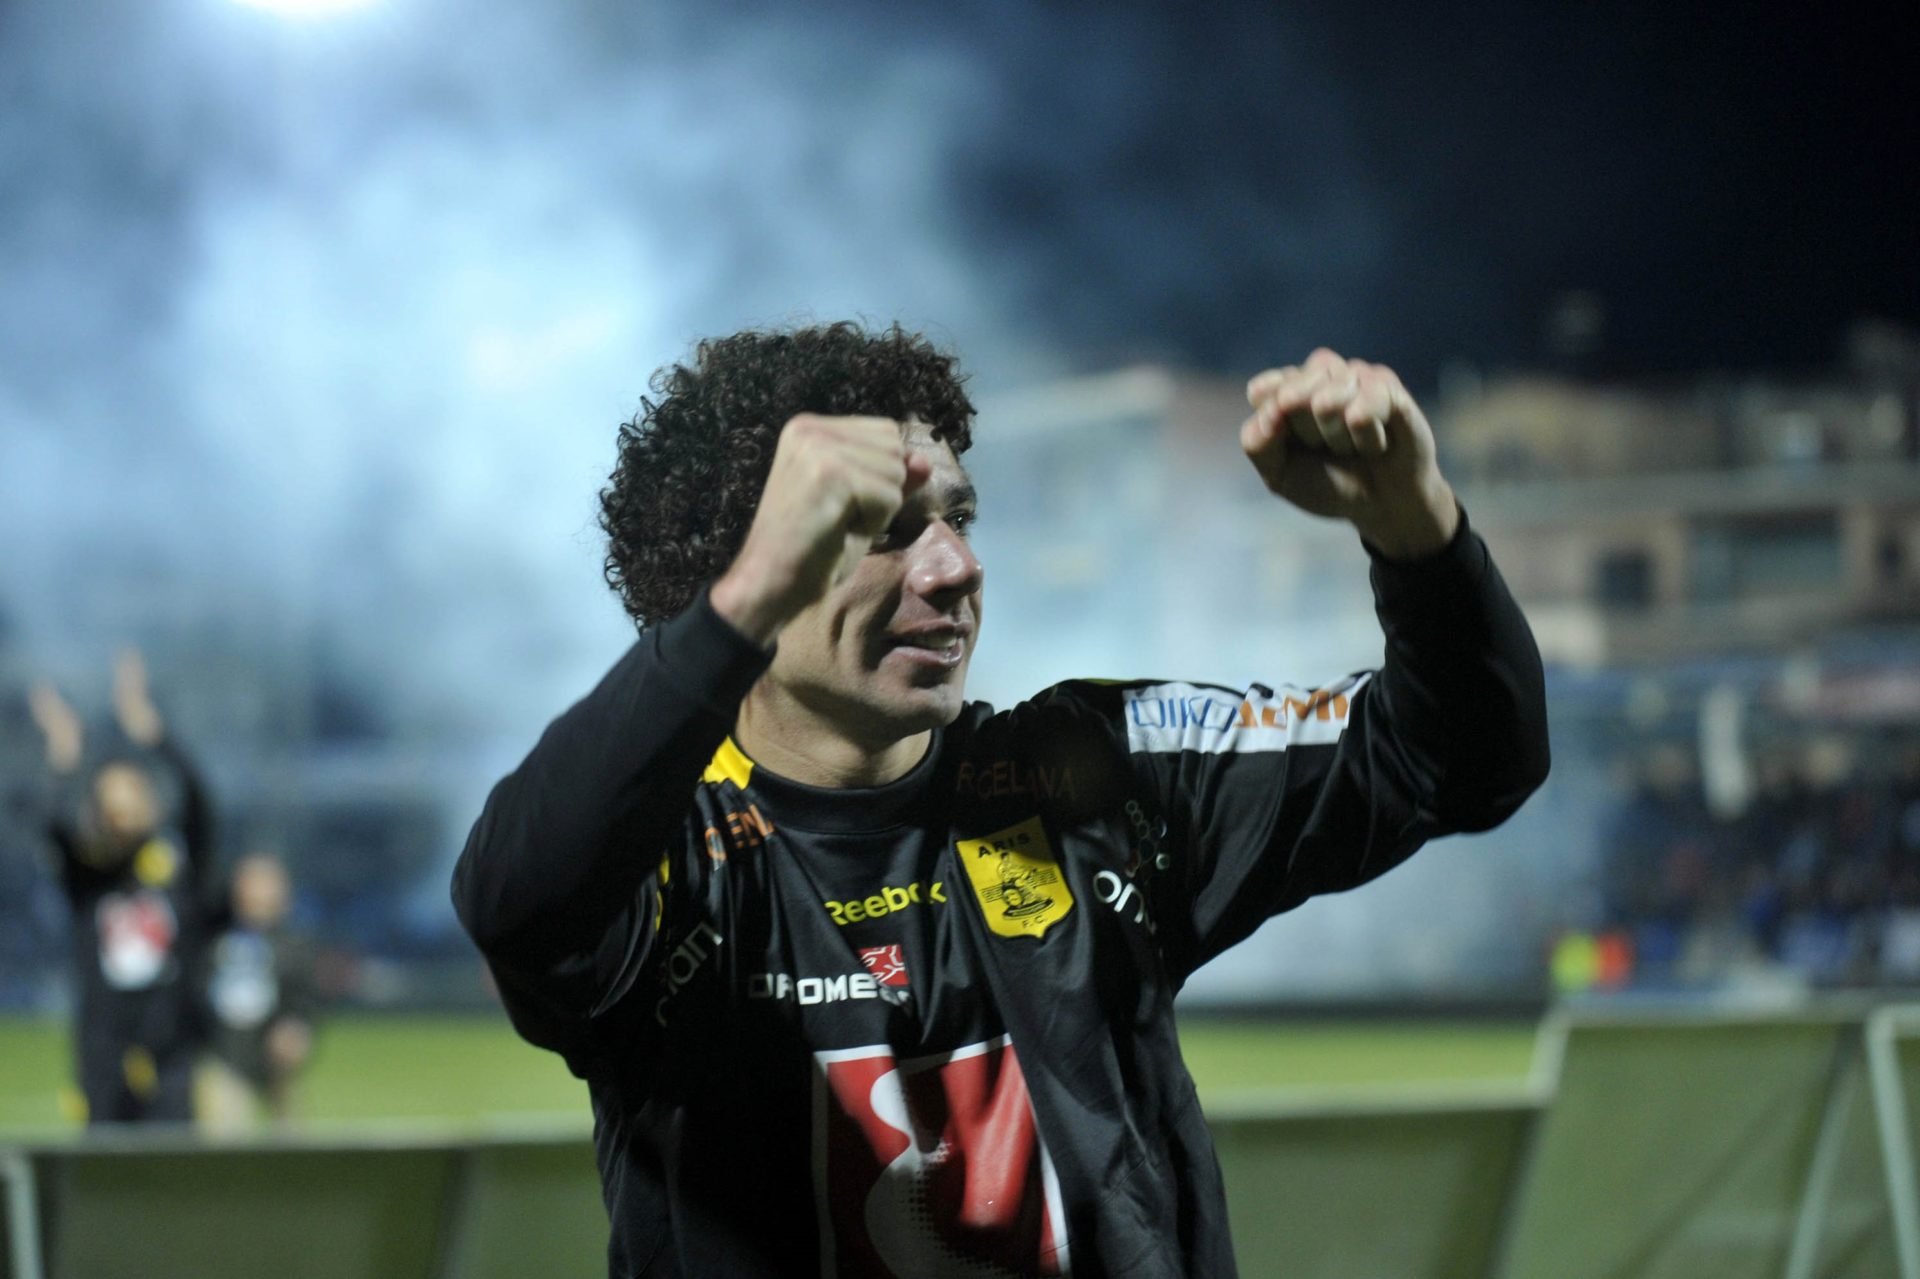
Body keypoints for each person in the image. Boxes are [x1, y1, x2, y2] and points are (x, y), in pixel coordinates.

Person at [452, 324, 1550, 1277]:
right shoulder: (671, 854)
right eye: (881, 529)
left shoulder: (1093, 777)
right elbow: (515, 900)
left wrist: (1416, 525)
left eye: (959, 518)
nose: (953, 567)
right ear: (747, 569)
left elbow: (1457, 758)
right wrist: (740, 604)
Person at [29, 650, 218, 1126]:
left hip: (169, 1045)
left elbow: (199, 801)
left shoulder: (177, 867)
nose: (123, 812)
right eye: (112, 802)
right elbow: (51, 827)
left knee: (174, 1161)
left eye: (132, 797)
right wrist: (64, 757)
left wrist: (155, 735)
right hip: (104, 1047)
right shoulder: (90, 877)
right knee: (104, 1160)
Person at [198, 852, 321, 1134]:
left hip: (274, 1056)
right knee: (224, 1130)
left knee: (289, 1132)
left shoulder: (294, 943)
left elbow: (305, 997)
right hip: (225, 1053)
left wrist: (297, 1027)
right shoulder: (214, 938)